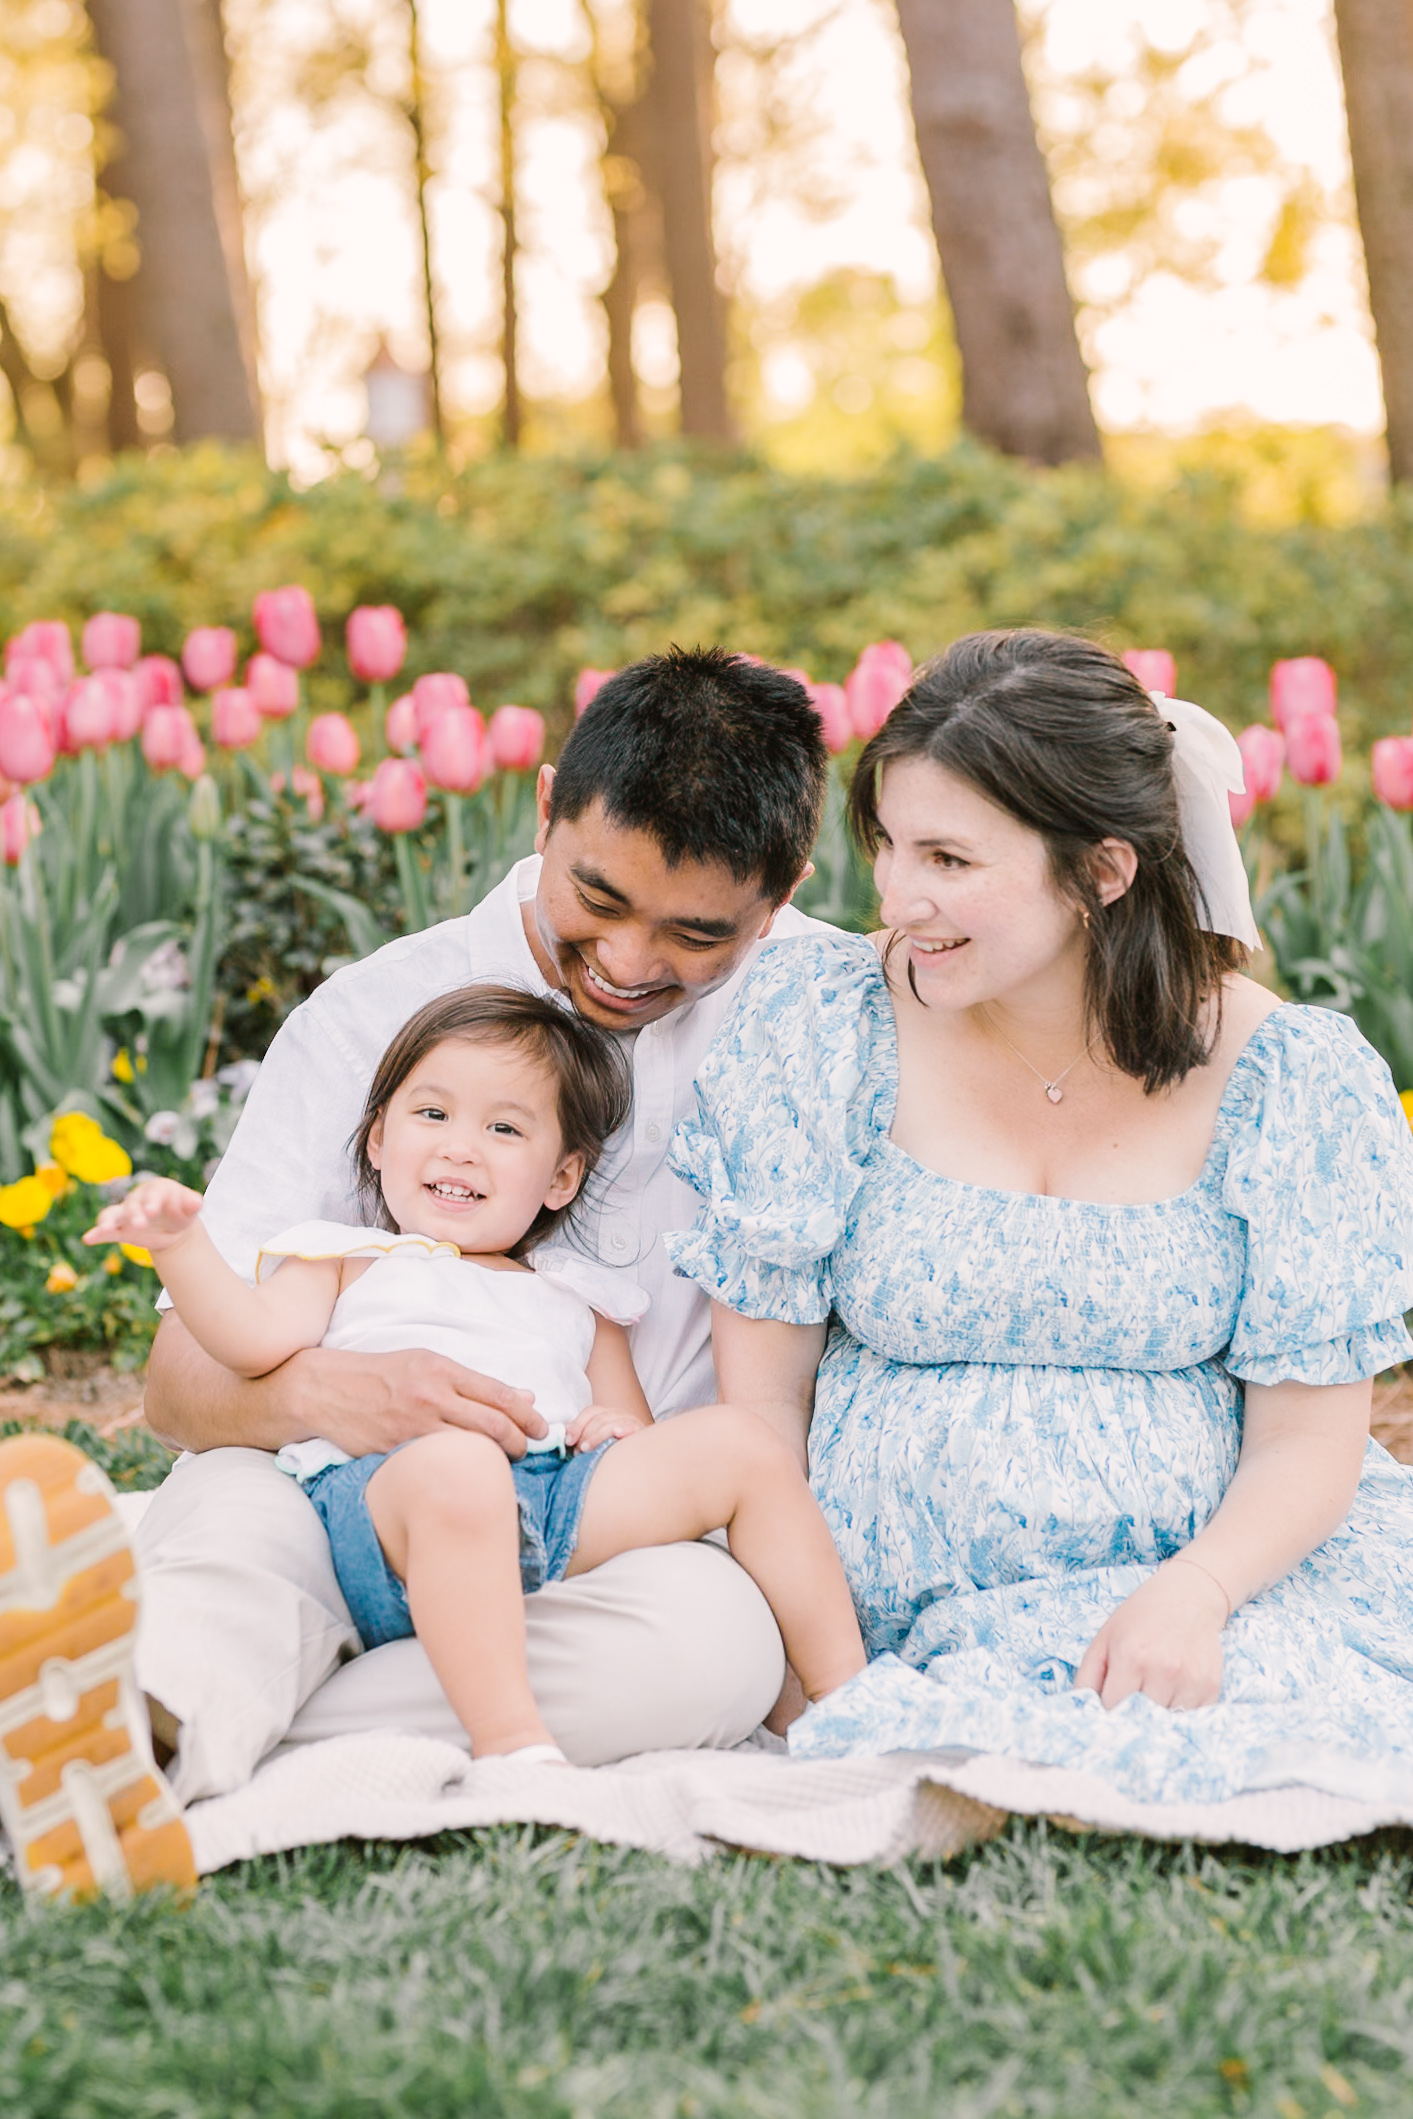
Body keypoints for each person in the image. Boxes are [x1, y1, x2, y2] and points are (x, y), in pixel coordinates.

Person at [0, 646, 835, 1901]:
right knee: (237, 1534)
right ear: (546, 805)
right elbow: (179, 1388)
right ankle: (169, 1707)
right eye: (596, 896)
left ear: (781, 900)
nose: (625, 958)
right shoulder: (373, 1015)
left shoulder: (827, 1011)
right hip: (327, 1489)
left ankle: (143, 1730)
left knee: (711, 1644)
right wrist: (334, 1396)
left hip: (590, 1533)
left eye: (695, 933)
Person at [670, 629, 1413, 1811]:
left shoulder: (1289, 1078)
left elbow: (1310, 1438)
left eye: (951, 859)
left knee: (1284, 1724)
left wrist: (1197, 1592)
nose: (898, 900)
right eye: (890, 846)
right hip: (875, 1595)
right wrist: (811, 1635)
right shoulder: (828, 1023)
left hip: (1203, 1574)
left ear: (1102, 872)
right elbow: (761, 1402)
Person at [84, 986, 864, 1771]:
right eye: (433, 1115)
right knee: (457, 1464)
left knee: (739, 1442)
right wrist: (180, 1246)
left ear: (559, 1178)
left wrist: (612, 1430)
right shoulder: (344, 1259)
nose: (462, 1147)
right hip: (385, 1505)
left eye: (503, 1128)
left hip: (548, 1503)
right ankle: (512, 1744)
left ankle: (849, 1702)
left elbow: (627, 1426)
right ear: (380, 1138)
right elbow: (248, 1343)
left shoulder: (574, 1296)